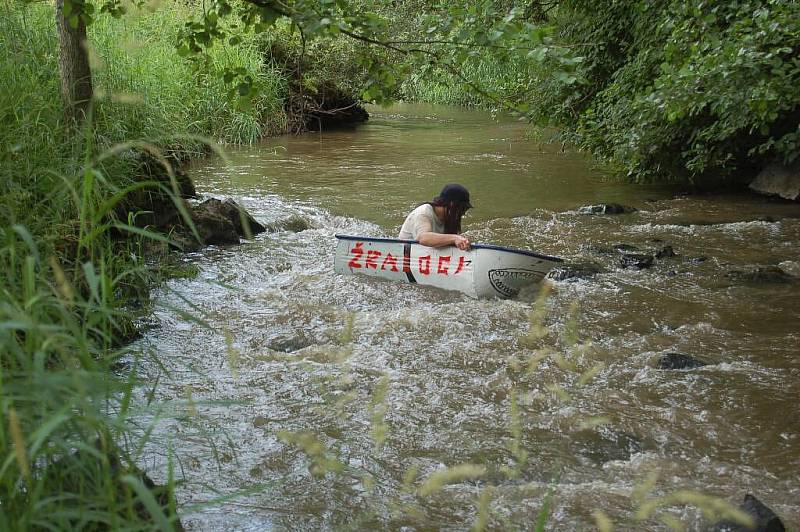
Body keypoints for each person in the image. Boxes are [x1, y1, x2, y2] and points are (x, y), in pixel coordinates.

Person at [398, 183, 472, 250]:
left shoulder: (448, 217)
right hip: (405, 255)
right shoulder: (423, 212)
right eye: (463, 209)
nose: (463, 213)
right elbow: (423, 238)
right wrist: (455, 238)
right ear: (452, 205)